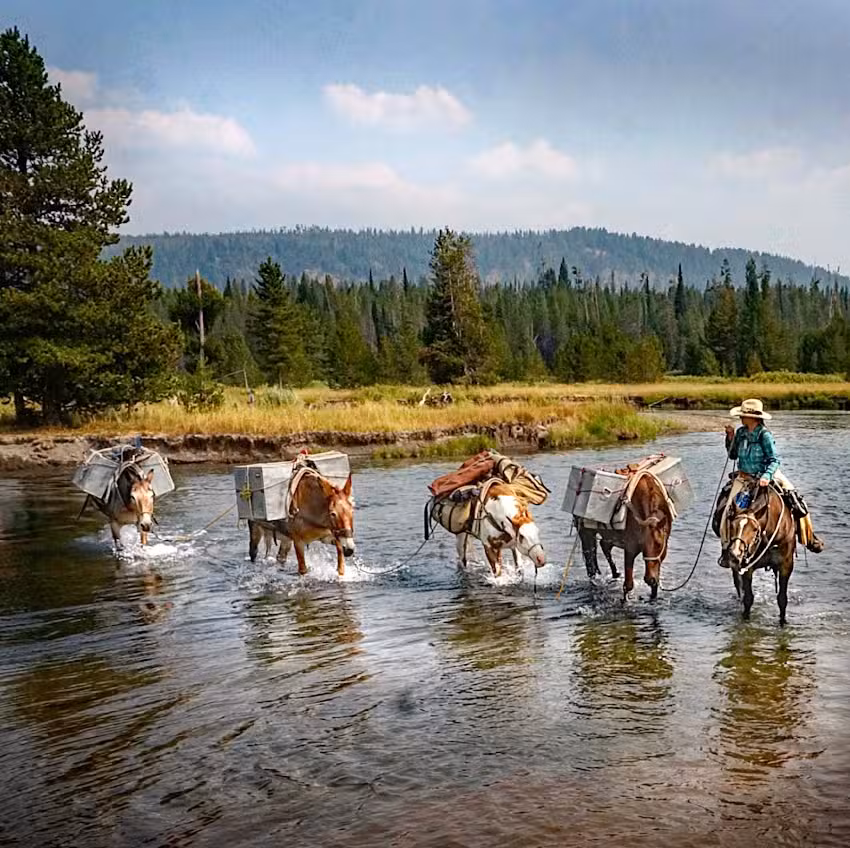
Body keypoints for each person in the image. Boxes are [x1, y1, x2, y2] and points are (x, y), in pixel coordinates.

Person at [719, 397, 823, 560]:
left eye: (743, 415)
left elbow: (774, 460)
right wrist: (730, 438)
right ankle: (727, 549)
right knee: (726, 510)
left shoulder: (764, 435)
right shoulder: (741, 433)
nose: (740, 417)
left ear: (753, 417)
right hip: (744, 478)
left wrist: (766, 476)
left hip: (768, 475)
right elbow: (732, 455)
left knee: (797, 502)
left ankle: (808, 538)